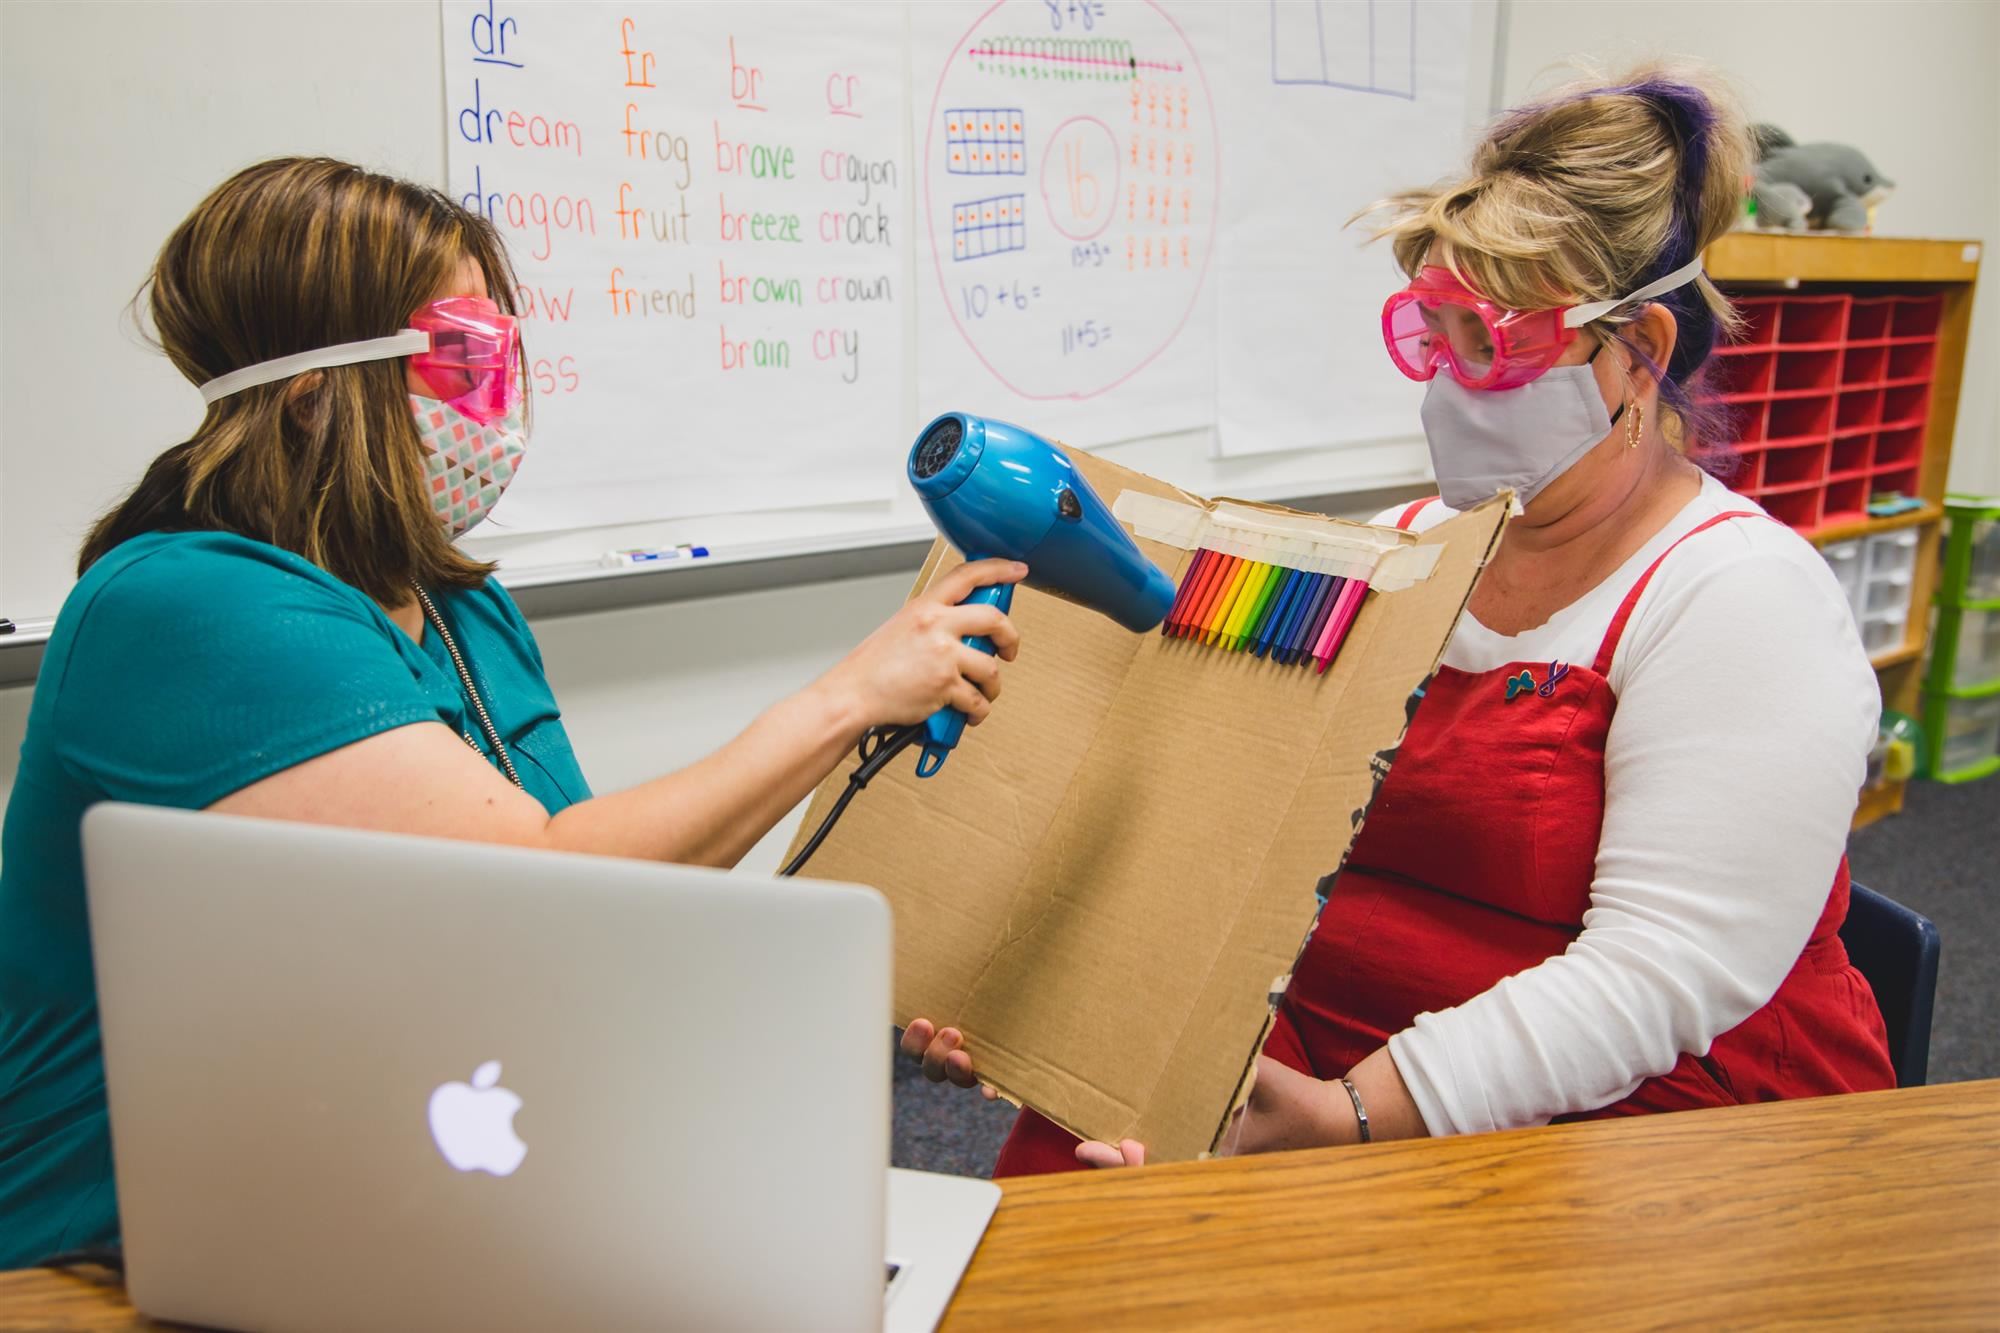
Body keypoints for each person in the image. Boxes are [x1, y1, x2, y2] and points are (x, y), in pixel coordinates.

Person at [0, 157, 1024, 1266]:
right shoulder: (184, 606)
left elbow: (590, 937)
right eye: (467, 357)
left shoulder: (464, 611)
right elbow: (538, 892)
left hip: (396, 1191)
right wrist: (846, 698)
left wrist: (850, 1056)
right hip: (111, 1255)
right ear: (313, 391)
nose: (501, 397)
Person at [907, 66, 1895, 1171]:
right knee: (1068, 1189)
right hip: (1336, 1039)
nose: (1448, 385)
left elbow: (1658, 971)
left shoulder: (1740, 598)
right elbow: (1240, 813)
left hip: (1636, 1109)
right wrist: (1058, 1004)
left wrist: (1348, 1117)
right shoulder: (1403, 547)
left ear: (1640, 354)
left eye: (1495, 343)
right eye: (1433, 335)